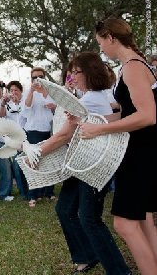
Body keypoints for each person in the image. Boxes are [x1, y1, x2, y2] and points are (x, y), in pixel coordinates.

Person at [36, 52, 130, 275]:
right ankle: (87, 256)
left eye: (77, 72)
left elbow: (63, 136)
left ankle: (119, 271)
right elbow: (119, 112)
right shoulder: (100, 95)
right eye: (72, 72)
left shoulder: (89, 100)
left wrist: (35, 154)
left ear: (90, 72)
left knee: (90, 219)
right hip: (82, 163)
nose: (73, 76)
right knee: (65, 209)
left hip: (93, 166)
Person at [79, 18, 157, 274]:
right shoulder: (132, 65)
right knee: (143, 221)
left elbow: (147, 116)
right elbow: (128, 112)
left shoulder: (133, 67)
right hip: (140, 152)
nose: (101, 49)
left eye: (101, 42)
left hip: (140, 155)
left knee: (124, 225)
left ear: (110, 37)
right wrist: (93, 121)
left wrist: (99, 129)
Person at [21, 67, 56, 207]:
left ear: (44, 77)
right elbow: (26, 107)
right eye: (34, 77)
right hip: (33, 132)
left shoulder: (51, 91)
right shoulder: (28, 92)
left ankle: (49, 192)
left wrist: (53, 106)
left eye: (40, 76)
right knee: (33, 163)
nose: (37, 79)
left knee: (48, 162)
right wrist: (32, 90)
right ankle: (33, 195)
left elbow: (57, 108)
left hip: (48, 131)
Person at [0, 80, 28, 200]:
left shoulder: (26, 102)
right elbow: (0, 116)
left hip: (26, 136)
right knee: (17, 165)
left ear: (21, 91)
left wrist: (18, 104)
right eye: (11, 90)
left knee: (27, 163)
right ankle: (23, 191)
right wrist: (3, 104)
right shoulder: (7, 104)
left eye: (16, 90)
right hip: (14, 139)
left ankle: (33, 189)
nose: (14, 92)